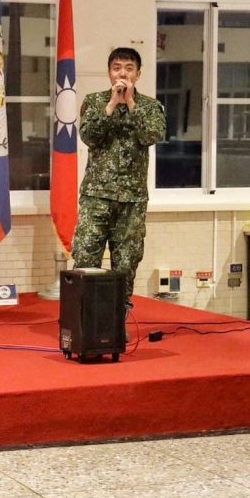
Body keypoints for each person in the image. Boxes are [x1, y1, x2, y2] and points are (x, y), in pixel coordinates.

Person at [71, 47, 166, 308]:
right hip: (96, 197)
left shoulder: (150, 106)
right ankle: (84, 319)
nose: (122, 74)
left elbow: (151, 135)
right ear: (109, 73)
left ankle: (116, 319)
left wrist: (131, 104)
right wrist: (112, 104)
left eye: (128, 68)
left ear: (138, 74)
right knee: (86, 256)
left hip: (132, 200)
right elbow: (89, 136)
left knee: (126, 262)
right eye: (117, 68)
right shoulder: (95, 101)